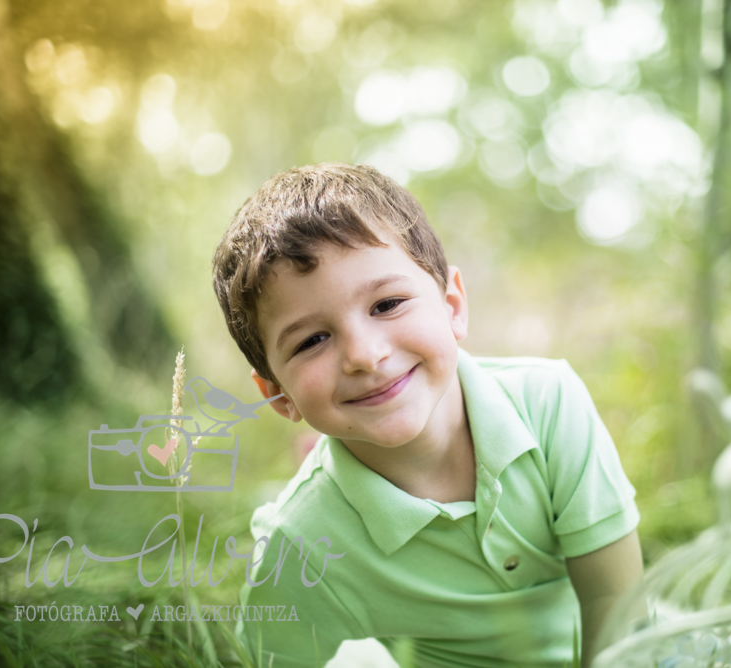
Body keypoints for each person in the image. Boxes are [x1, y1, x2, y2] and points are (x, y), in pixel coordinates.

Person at [212, 162, 644, 667]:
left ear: (452, 304)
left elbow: (614, 602)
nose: (365, 355)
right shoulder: (302, 544)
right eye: (313, 340)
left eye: (387, 304)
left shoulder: (548, 404)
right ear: (277, 395)